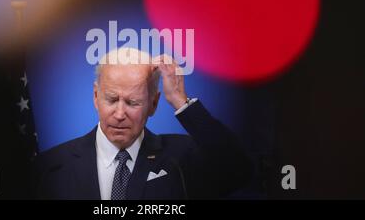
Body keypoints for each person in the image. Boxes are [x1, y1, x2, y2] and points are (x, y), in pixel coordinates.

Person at [32, 48, 253, 199]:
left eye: (132, 102)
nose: (120, 114)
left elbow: (238, 170)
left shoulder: (181, 158)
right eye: (111, 99)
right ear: (95, 96)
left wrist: (180, 101)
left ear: (154, 104)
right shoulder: (52, 166)